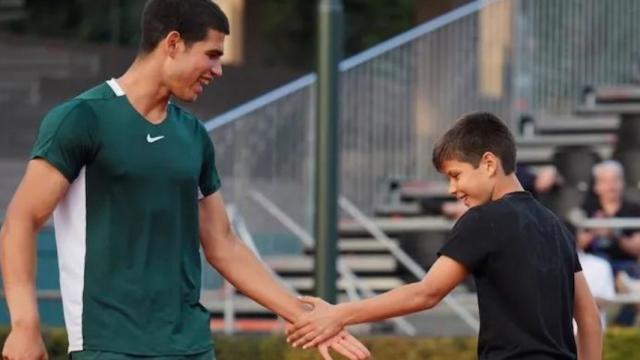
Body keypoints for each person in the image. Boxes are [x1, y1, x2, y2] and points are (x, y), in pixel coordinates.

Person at [0, 1, 369, 359]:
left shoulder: (192, 134)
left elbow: (223, 244)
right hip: (108, 346)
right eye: (211, 54)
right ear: (173, 43)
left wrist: (304, 316)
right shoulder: (81, 119)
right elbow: (21, 221)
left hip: (191, 346)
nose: (218, 69)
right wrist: (25, 325)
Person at [286, 112, 603, 360]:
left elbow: (426, 293)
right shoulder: (554, 225)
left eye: (456, 175)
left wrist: (339, 313)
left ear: (489, 163)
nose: (452, 189)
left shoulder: (482, 219)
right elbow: (588, 317)